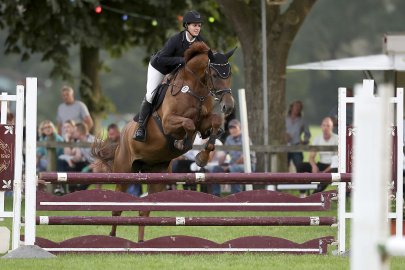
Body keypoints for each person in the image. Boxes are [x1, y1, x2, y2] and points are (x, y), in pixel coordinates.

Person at [133, 10, 205, 142]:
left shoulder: (200, 41)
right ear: (186, 26)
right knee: (151, 94)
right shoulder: (176, 40)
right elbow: (162, 59)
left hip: (178, 71)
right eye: (194, 25)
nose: (197, 28)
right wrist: (182, 61)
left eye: (199, 25)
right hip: (160, 67)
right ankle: (140, 127)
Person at [211, 119, 256, 197]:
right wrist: (220, 164)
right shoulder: (229, 139)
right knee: (215, 169)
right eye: (230, 128)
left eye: (235, 127)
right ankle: (216, 195)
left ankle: (236, 196)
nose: (232, 130)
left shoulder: (245, 138)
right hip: (232, 165)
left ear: (240, 128)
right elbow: (224, 154)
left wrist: (230, 166)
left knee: (234, 170)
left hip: (248, 165)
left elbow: (244, 157)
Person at [297, 117, 338, 195]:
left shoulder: (337, 139)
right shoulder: (317, 138)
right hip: (321, 164)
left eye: (328, 126)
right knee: (301, 166)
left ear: (332, 127)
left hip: (332, 166)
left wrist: (324, 172)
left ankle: (314, 195)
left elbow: (337, 160)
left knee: (330, 173)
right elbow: (311, 157)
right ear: (321, 127)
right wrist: (314, 166)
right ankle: (302, 193)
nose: (326, 128)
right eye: (324, 125)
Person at [285, 100, 311, 172]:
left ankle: (299, 182)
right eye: (296, 106)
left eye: (300, 107)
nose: (297, 108)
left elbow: (307, 133)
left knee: (299, 166)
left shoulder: (302, 121)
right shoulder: (285, 119)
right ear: (291, 107)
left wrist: (304, 141)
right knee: (284, 167)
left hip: (297, 146)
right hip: (284, 146)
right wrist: (284, 135)